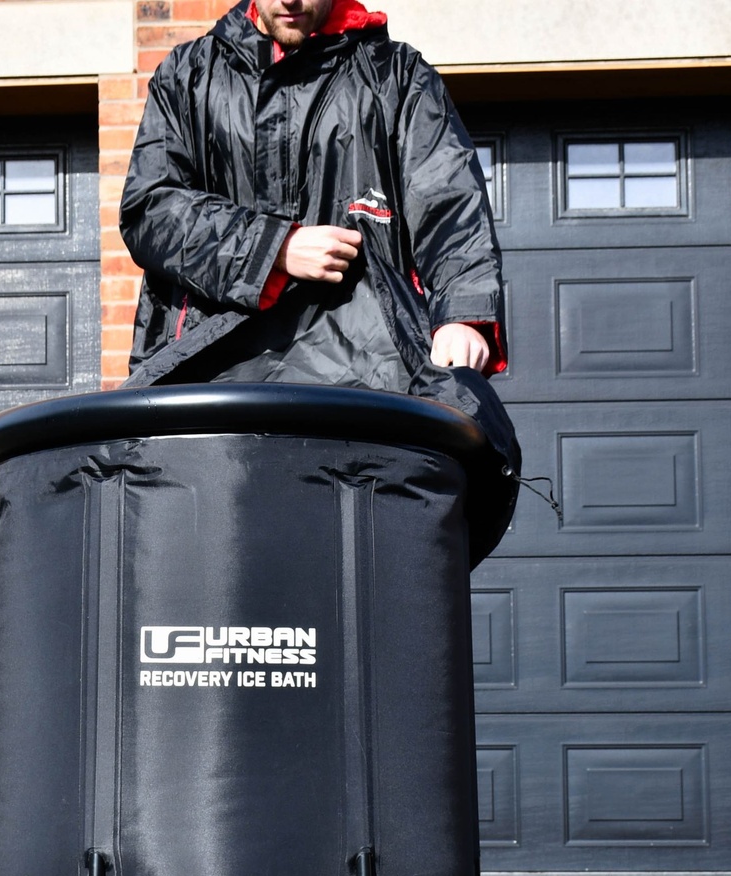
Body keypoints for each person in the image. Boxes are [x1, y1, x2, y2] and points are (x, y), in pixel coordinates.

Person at [119, 0, 519, 560]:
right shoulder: (187, 75)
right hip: (206, 371)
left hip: (369, 372)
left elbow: (448, 202)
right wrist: (273, 248)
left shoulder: (395, 76)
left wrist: (463, 316)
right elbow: (150, 210)